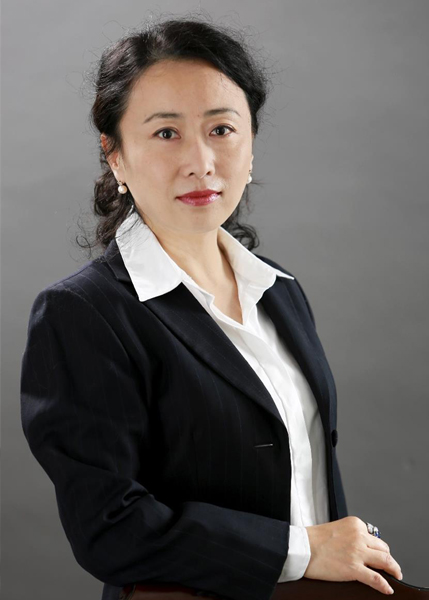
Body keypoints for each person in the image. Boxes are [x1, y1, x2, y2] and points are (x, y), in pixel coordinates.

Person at [20, 16, 403, 600]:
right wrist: (303, 550)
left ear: (251, 144)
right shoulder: (83, 314)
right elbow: (109, 528)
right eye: (166, 133)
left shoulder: (279, 290)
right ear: (114, 154)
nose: (200, 161)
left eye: (221, 129)